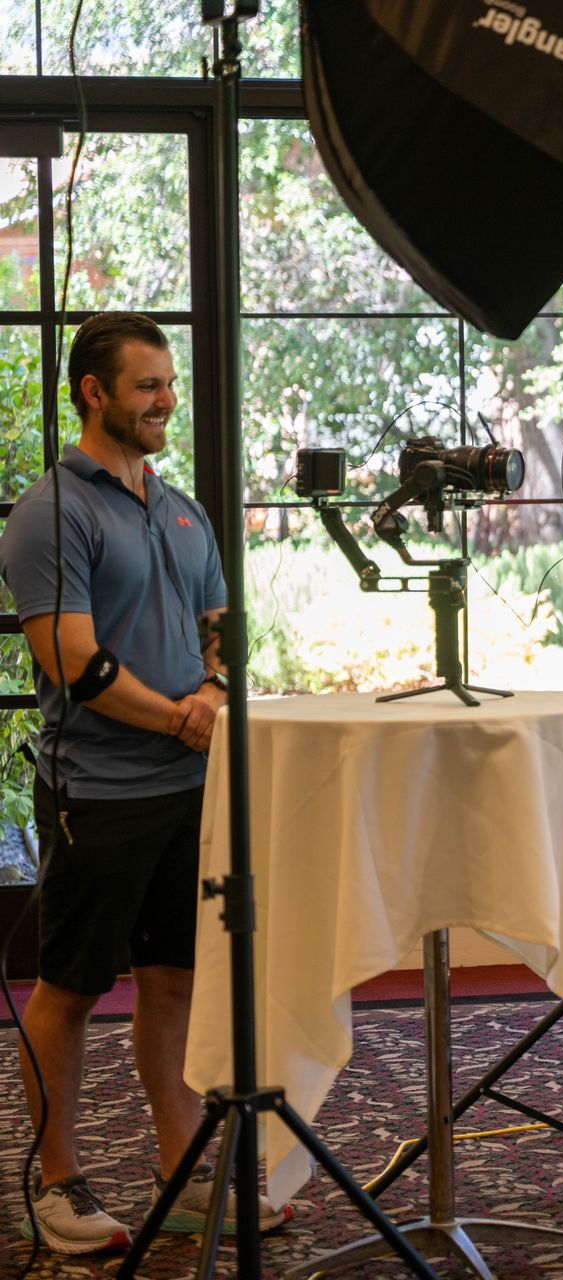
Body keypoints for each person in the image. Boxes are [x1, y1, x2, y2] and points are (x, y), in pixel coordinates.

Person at [0, 313, 286, 1253]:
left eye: (169, 383)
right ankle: (57, 1186)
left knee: (174, 982)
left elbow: (224, 629)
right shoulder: (50, 511)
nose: (167, 400)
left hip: (186, 789)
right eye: (148, 386)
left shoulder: (182, 507)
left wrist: (210, 687)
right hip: (99, 791)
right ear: (94, 392)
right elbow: (72, 659)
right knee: (70, 990)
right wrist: (180, 717)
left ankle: (183, 1179)